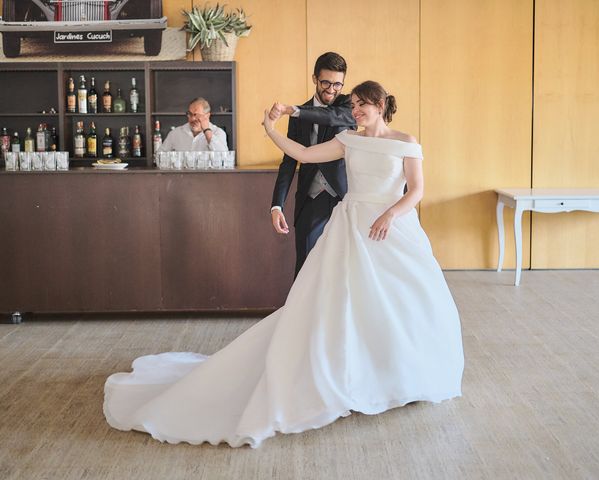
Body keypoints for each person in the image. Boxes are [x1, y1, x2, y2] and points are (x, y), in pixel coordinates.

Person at [103, 80, 464, 449]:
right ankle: (347, 376)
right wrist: (271, 130)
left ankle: (402, 375)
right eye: (353, 106)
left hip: (392, 226)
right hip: (351, 227)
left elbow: (417, 189)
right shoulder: (347, 140)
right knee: (343, 304)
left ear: (382, 104)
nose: (356, 111)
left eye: (362, 105)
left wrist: (390, 215)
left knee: (402, 302)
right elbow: (304, 155)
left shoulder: (406, 140)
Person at [270, 52, 356, 277]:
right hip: (311, 199)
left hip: (344, 198)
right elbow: (289, 162)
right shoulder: (297, 115)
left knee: (344, 269)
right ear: (314, 79)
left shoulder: (347, 106)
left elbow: (330, 116)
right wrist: (277, 205)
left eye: (338, 83)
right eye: (326, 82)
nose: (331, 89)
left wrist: (295, 110)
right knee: (306, 269)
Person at [159, 97, 228, 152]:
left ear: (207, 116)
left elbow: (224, 159)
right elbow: (159, 156)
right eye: (190, 114)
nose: (192, 119)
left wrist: (207, 131)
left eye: (196, 115)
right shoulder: (175, 133)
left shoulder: (218, 133)